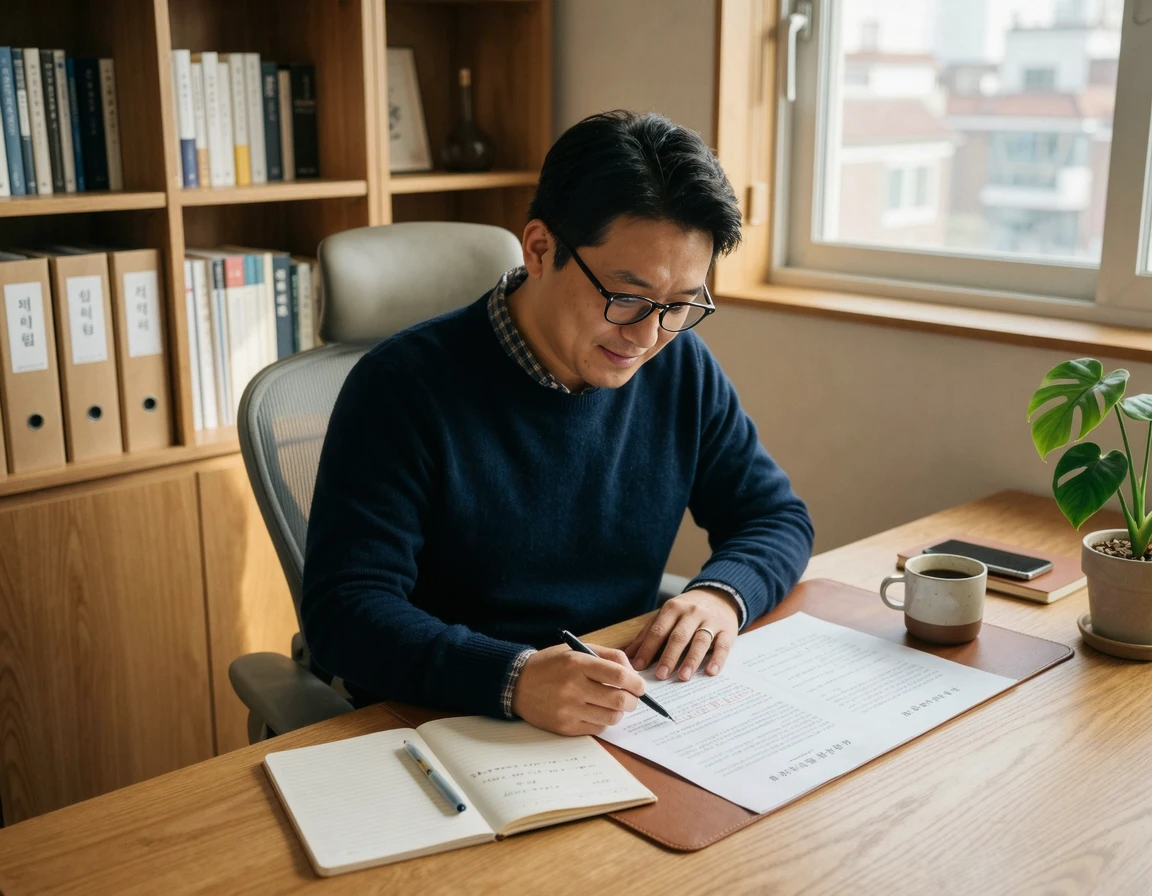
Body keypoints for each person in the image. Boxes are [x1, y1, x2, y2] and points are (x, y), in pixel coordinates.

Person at [302, 110, 814, 737]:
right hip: (439, 717)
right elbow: (345, 614)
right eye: (626, 297)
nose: (649, 336)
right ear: (541, 249)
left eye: (681, 305)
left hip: (613, 712)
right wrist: (513, 677)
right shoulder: (402, 387)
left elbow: (775, 516)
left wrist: (722, 596)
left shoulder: (680, 367)